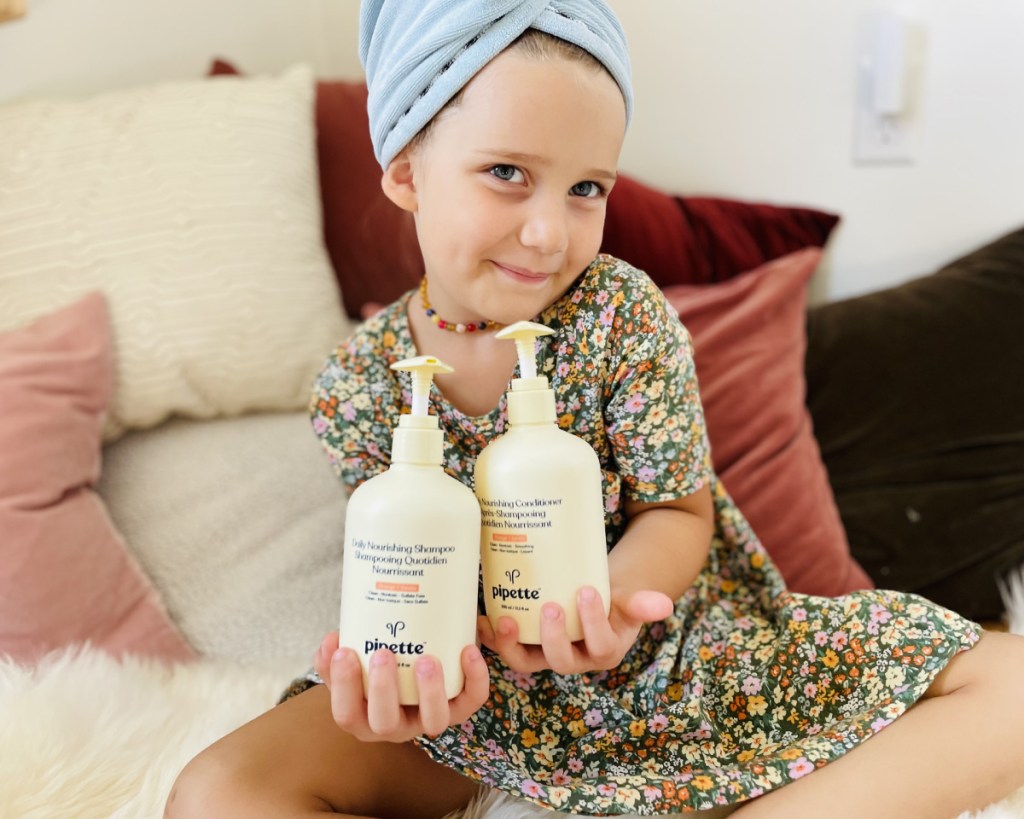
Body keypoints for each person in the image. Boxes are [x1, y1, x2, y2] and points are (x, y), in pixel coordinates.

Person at [165, 2, 1024, 817]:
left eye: (585, 189)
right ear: (405, 170)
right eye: (508, 174)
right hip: (478, 699)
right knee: (214, 791)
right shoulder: (359, 385)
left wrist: (610, 605)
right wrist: (398, 682)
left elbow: (678, 513)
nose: (550, 232)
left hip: (676, 669)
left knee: (1012, 684)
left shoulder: (621, 316)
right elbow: (406, 575)